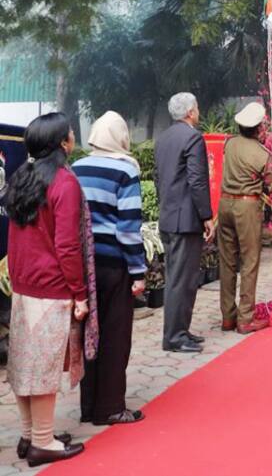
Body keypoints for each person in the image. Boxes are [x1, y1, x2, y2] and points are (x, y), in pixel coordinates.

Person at [5, 112, 96, 467]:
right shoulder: (64, 182)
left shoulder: (21, 178)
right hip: (52, 289)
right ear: (62, 143)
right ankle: (44, 442)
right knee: (42, 369)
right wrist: (80, 292)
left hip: (24, 287)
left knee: (25, 365)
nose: (73, 137)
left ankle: (30, 436)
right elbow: (68, 246)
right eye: (71, 133)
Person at [73, 111, 146, 425]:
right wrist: (138, 270)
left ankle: (88, 406)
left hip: (84, 264)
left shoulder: (76, 167)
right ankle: (111, 406)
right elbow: (128, 227)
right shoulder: (125, 170)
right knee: (116, 335)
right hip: (115, 264)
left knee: (90, 332)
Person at [155, 92, 215, 352]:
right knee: (183, 279)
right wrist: (206, 215)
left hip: (169, 215)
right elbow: (197, 180)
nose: (198, 112)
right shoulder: (192, 138)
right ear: (190, 112)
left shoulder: (164, 138)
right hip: (186, 218)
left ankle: (179, 330)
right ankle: (175, 336)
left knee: (177, 277)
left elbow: (159, 179)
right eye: (197, 108)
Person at [218, 102, 272, 334]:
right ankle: (245, 318)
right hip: (247, 206)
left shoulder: (229, 144)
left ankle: (228, 317)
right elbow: (271, 185)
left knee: (227, 261)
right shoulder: (262, 154)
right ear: (259, 127)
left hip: (224, 204)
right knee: (250, 261)